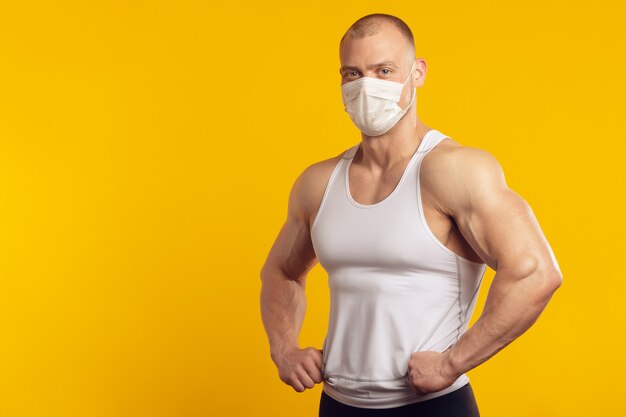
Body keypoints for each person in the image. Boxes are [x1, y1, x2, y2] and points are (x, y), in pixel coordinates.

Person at [260, 13, 563, 417]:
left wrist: (452, 363)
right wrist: (284, 349)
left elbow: (535, 272)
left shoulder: (453, 170)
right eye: (353, 73)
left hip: (432, 407)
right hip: (338, 405)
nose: (367, 85)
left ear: (417, 73)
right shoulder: (318, 183)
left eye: (384, 70)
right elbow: (280, 272)